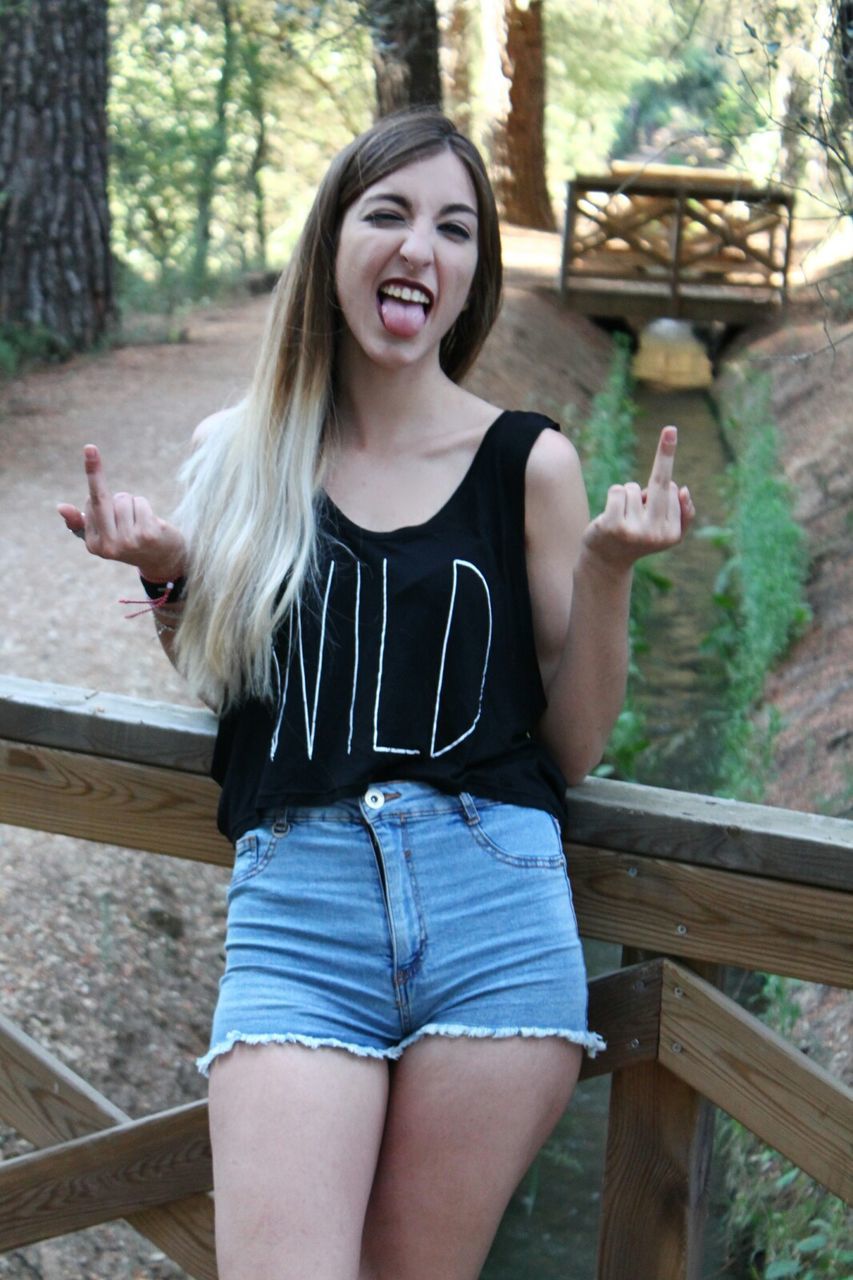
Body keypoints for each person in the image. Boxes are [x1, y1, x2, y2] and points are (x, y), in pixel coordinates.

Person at [58, 108, 694, 1280]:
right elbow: (230, 687)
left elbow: (574, 744)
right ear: (332, 244)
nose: (420, 246)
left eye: (453, 227)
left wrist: (606, 570)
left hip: (495, 907)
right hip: (298, 910)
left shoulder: (529, 462)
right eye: (388, 213)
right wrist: (167, 580)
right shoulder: (242, 450)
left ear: (467, 284)